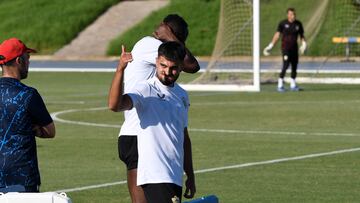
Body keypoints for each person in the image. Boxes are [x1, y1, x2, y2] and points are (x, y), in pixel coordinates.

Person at [110, 14, 199, 203]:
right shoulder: (149, 44)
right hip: (139, 133)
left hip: (142, 134)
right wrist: (172, 37)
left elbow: (184, 135)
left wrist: (189, 173)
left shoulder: (179, 93)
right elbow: (191, 65)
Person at [0, 38, 56, 192]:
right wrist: (31, 127)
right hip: (21, 176)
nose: (29, 63)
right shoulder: (28, 94)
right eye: (27, 58)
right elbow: (50, 131)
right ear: (19, 60)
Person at [263, 8, 306, 92]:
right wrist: (270, 45)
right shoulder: (283, 23)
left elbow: (301, 35)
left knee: (294, 66)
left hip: (294, 48)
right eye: (291, 14)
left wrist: (304, 44)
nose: (293, 16)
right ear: (288, 15)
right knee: (286, 65)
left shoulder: (298, 24)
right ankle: (280, 84)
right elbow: (277, 35)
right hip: (285, 48)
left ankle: (293, 85)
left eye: (294, 14)